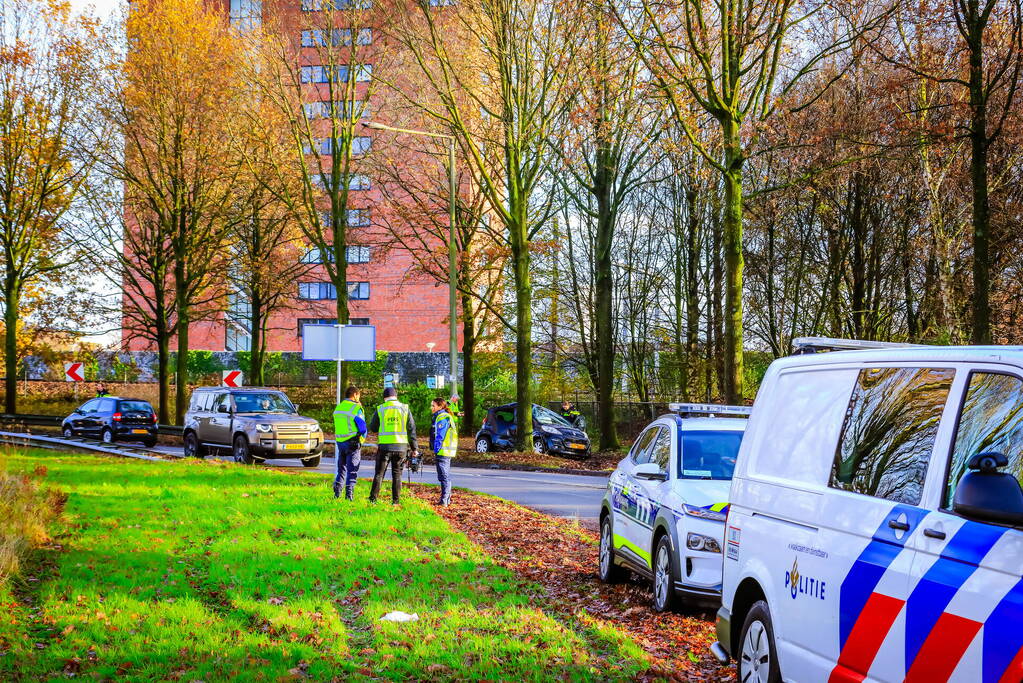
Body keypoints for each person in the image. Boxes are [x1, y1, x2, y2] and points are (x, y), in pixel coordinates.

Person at [368, 387, 417, 505]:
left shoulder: (381, 409)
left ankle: (373, 500)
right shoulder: (405, 408)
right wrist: (415, 448)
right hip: (401, 448)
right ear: (396, 396)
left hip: (385, 447)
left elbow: (373, 427)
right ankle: (395, 502)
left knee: (379, 474)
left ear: (384, 398)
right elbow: (411, 429)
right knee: (397, 475)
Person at [332, 386, 367, 500]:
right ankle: (349, 495)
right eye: (358, 396)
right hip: (352, 442)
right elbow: (362, 428)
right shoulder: (355, 408)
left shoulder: (339, 407)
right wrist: (360, 440)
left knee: (341, 468)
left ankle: (337, 492)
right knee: (352, 470)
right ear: (355, 395)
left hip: (340, 442)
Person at [430, 397, 458, 505]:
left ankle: (444, 501)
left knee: (444, 477)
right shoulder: (444, 416)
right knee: (444, 476)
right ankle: (446, 499)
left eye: (433, 406)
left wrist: (436, 449)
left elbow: (440, 435)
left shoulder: (442, 417)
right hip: (446, 450)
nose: (431, 408)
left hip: (443, 450)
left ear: (440, 406)